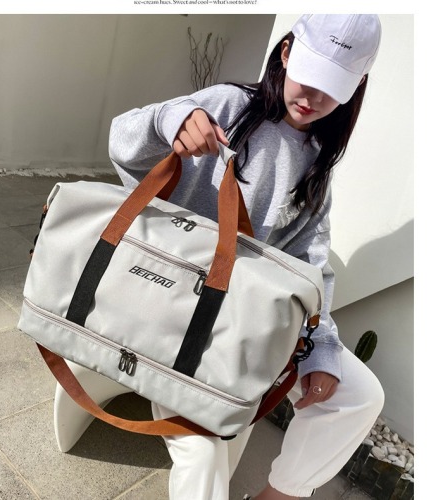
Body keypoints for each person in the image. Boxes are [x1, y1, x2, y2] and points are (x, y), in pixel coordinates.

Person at [108, 14, 384, 500]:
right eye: (310, 75)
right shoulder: (230, 106)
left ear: (356, 86)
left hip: (242, 317)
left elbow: (311, 266)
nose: (313, 97)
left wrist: (320, 346)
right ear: (286, 54)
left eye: (333, 86)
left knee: (359, 396)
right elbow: (120, 139)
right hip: (169, 305)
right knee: (202, 446)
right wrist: (168, 120)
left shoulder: (317, 161)